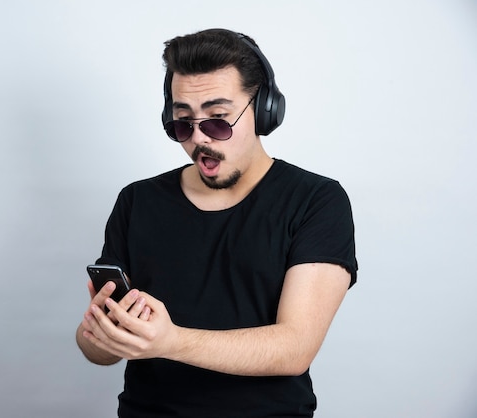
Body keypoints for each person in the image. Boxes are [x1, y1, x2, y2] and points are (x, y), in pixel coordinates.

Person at [76, 28, 357, 417]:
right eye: (182, 123)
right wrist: (105, 334)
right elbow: (95, 350)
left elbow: (295, 347)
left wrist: (170, 341)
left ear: (263, 109)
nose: (199, 140)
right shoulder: (137, 201)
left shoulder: (316, 200)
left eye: (218, 120)